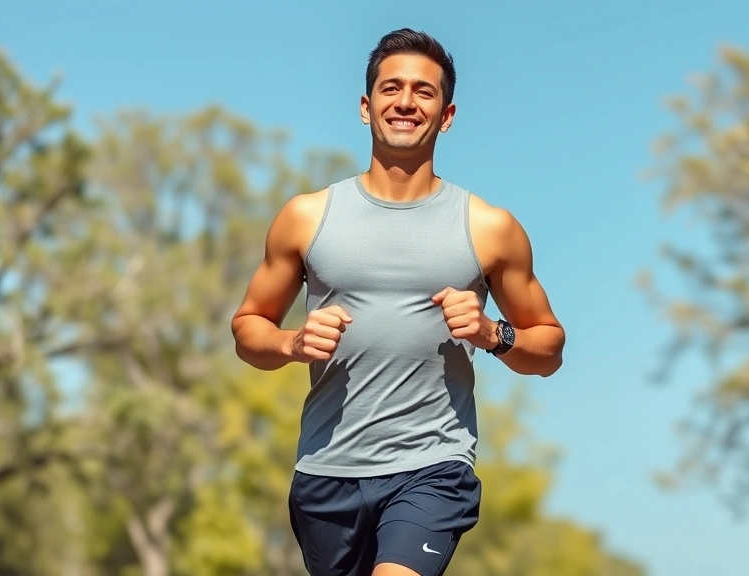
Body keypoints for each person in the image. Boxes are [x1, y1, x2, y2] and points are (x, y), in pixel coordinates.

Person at [231, 27, 565, 576]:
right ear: (367, 107)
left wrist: (491, 333)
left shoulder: (488, 228)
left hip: (432, 466)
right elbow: (248, 329)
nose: (405, 102)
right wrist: (291, 342)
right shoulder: (307, 216)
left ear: (447, 115)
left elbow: (548, 347)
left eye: (423, 92)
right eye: (391, 89)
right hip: (326, 470)